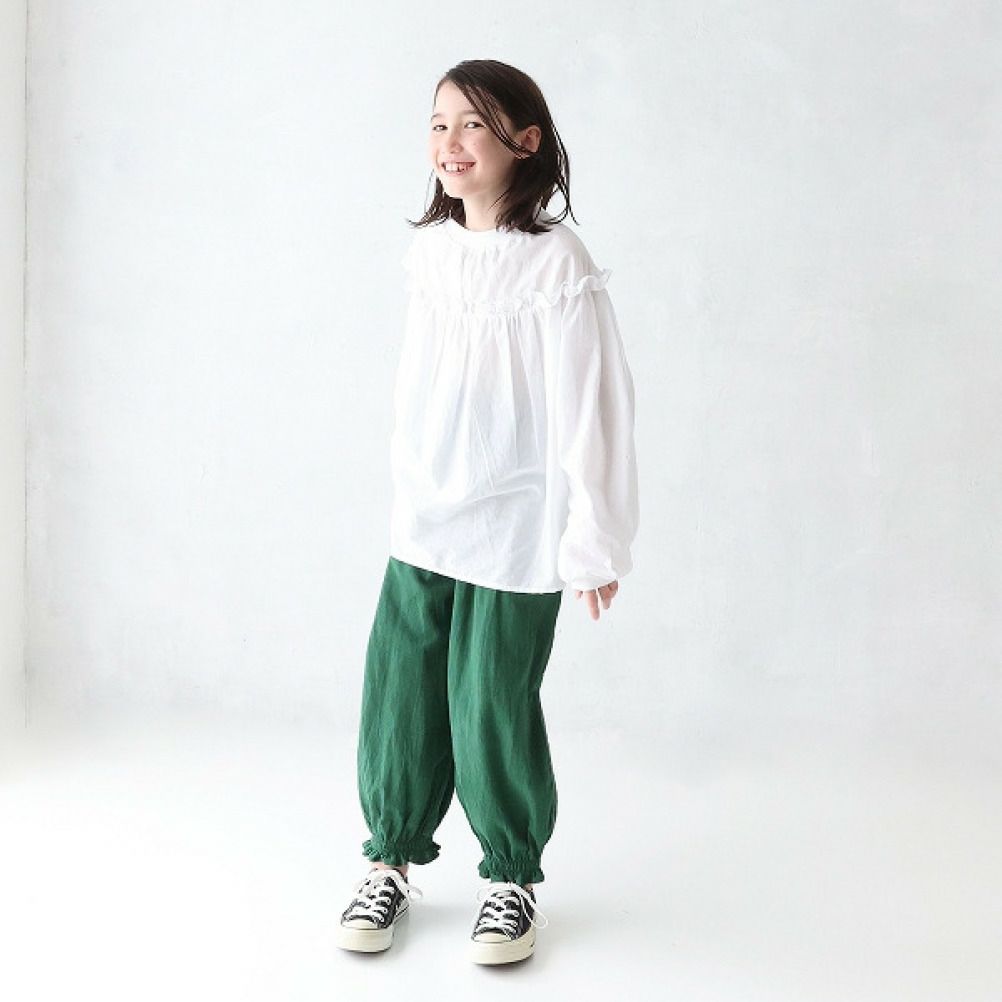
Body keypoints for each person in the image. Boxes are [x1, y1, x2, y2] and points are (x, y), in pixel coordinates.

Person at [335, 59, 639, 965]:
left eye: (473, 124)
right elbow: (418, 386)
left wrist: (594, 536)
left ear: (525, 141)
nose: (450, 142)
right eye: (439, 124)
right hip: (428, 513)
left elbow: (593, 404)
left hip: (518, 522)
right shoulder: (431, 254)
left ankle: (511, 879)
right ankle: (389, 857)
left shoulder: (555, 263)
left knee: (490, 700)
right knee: (401, 690)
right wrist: (407, 481)